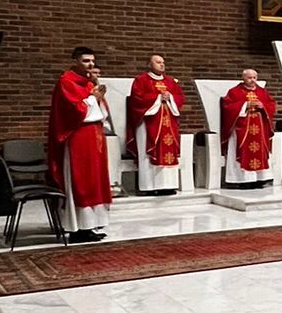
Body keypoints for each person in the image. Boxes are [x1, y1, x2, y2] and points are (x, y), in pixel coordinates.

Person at [46, 46, 114, 241]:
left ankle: (90, 225)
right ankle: (78, 228)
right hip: (78, 137)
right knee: (81, 181)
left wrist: (97, 98)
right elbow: (73, 111)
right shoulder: (66, 82)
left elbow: (101, 111)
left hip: (94, 137)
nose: (90, 64)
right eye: (86, 61)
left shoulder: (88, 82)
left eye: (92, 61)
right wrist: (93, 98)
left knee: (95, 180)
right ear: (75, 61)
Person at [126, 52, 185, 194]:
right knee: (147, 154)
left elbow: (180, 97)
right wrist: (158, 98)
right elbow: (136, 99)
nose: (162, 64)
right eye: (158, 62)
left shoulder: (170, 82)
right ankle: (149, 187)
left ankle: (168, 186)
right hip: (148, 123)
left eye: (163, 62)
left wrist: (170, 97)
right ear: (149, 64)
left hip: (168, 124)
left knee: (168, 152)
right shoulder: (141, 80)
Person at [221, 68, 277, 186]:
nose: (252, 80)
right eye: (249, 78)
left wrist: (263, 106)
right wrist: (245, 105)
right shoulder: (235, 92)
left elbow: (271, 104)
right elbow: (227, 106)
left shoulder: (262, 92)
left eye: (254, 78)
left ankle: (260, 179)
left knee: (260, 151)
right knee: (243, 152)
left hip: (260, 128)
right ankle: (243, 180)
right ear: (243, 78)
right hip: (242, 128)